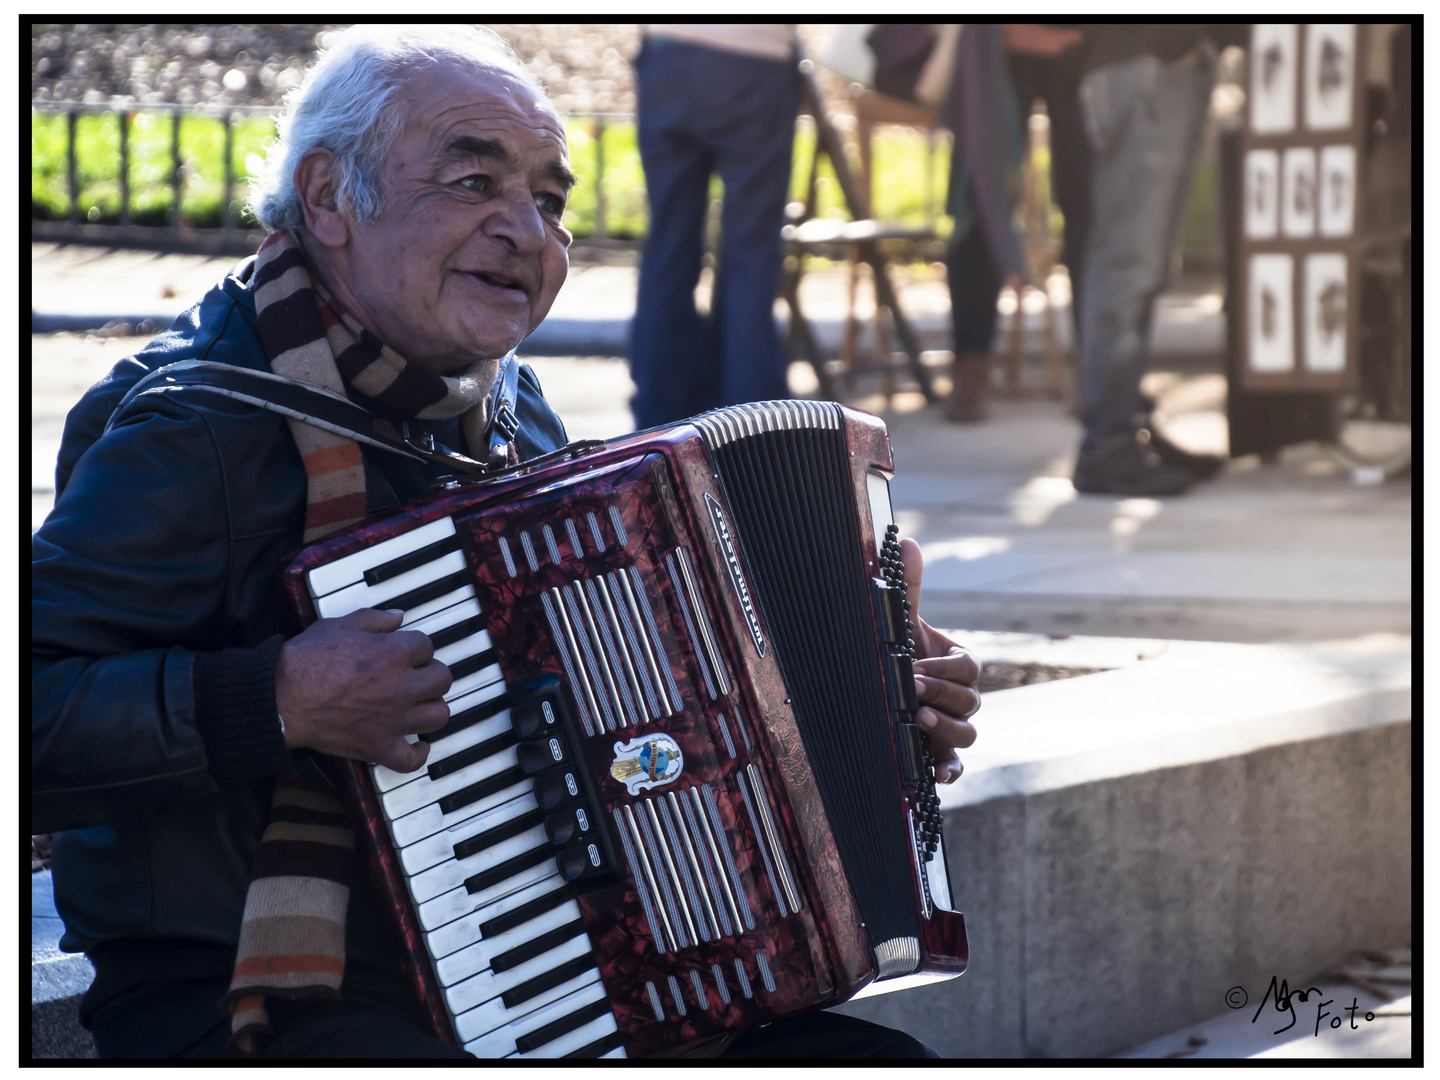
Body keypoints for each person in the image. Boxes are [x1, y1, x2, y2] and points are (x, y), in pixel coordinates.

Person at [32, 25, 983, 1060]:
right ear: (326, 199)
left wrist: (868, 703)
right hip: (254, 995)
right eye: (473, 180)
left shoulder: (507, 412)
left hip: (545, 959)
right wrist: (273, 698)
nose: (526, 231)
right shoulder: (193, 429)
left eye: (551, 202)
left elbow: (624, 714)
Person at [1068, 25, 1244, 495]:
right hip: (1146, 58)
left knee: (1146, 267)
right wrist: (1175, 38)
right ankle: (1108, 445)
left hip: (1162, 59)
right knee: (1127, 264)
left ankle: (1126, 427)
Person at [628, 25, 800, 429]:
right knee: (751, 252)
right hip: (754, 56)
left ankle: (660, 416)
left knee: (668, 245)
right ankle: (749, 423)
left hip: (669, 52)